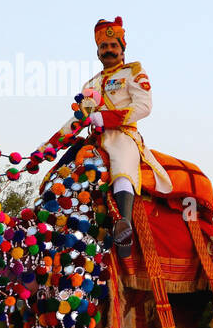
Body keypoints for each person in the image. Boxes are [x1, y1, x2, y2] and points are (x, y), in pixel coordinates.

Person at [54, 16, 171, 258]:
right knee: (62, 171)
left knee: (121, 164)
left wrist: (107, 119)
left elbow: (144, 106)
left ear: (122, 49)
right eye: (103, 47)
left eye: (113, 46)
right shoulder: (91, 83)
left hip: (123, 135)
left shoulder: (133, 72)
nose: (108, 50)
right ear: (97, 52)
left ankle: (123, 226)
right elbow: (78, 119)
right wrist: (46, 148)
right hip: (94, 139)